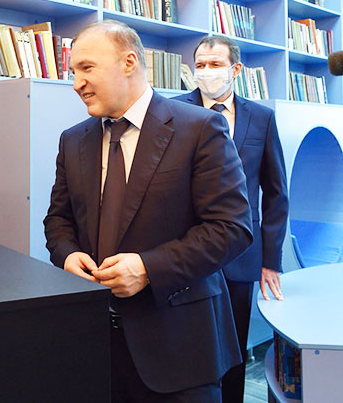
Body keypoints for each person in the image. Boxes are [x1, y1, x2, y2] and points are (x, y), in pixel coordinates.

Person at [44, 21, 253, 402]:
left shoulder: (200, 128)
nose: (76, 83)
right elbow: (58, 220)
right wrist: (67, 255)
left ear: (129, 62)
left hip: (179, 349)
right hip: (94, 347)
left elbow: (231, 227)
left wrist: (147, 268)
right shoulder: (73, 140)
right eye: (73, 71)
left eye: (86, 68)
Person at [174, 35, 289, 403]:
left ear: (236, 69)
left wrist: (271, 260)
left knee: (233, 348)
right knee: (186, 348)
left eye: (215, 64)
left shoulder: (262, 118)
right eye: (200, 65)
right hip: (185, 253)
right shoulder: (173, 111)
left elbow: (276, 193)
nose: (206, 71)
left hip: (241, 254)